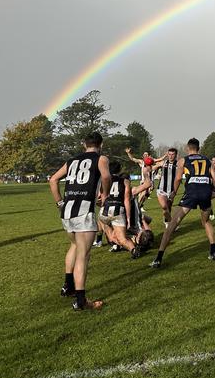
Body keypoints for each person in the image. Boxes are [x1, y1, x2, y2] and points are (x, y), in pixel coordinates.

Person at [49, 131, 111, 311]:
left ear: (84, 144)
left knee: (74, 247)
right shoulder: (101, 159)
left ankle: (68, 286)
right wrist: (105, 194)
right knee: (83, 255)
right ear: (101, 144)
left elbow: (53, 180)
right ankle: (81, 300)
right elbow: (106, 177)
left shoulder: (72, 160)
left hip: (67, 211)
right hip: (83, 212)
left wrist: (60, 202)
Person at [150, 138, 215, 268]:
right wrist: (210, 191)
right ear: (199, 148)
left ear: (188, 148)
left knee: (172, 225)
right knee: (206, 221)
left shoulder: (183, 160)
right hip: (205, 194)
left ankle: (158, 258)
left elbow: (177, 179)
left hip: (191, 194)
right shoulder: (207, 160)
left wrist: (173, 194)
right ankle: (213, 251)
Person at [98, 160, 150, 259]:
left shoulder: (103, 180)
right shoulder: (127, 185)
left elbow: (99, 198)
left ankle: (105, 240)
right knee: (122, 237)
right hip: (120, 213)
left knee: (104, 223)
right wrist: (146, 173)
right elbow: (127, 199)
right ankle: (133, 248)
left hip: (106, 211)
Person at [155, 148, 179, 228]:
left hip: (172, 190)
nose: (171, 156)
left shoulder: (178, 164)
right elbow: (153, 167)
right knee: (164, 207)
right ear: (167, 154)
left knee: (169, 207)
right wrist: (151, 169)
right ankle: (171, 223)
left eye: (173, 154)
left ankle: (167, 222)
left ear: (176, 155)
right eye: (169, 154)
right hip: (161, 190)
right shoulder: (163, 163)